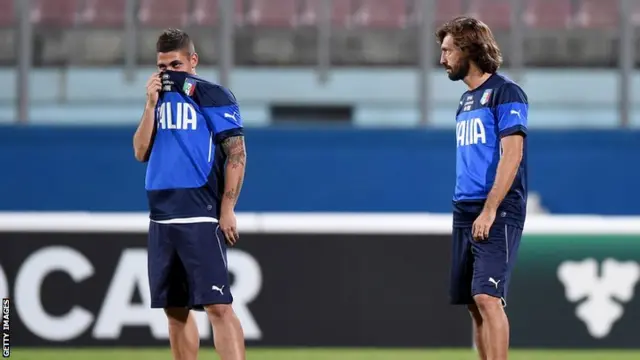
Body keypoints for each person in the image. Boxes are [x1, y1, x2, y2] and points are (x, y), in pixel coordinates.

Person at [133, 28, 246, 360]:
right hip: (161, 215)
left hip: (199, 211)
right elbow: (140, 152)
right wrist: (150, 105)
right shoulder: (157, 100)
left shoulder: (213, 96)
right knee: (175, 310)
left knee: (218, 306)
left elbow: (237, 154)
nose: (168, 73)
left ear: (193, 61)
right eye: (162, 66)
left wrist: (227, 209)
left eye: (176, 65)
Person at [436, 16, 528, 360]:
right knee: (474, 304)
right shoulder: (465, 101)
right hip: (464, 208)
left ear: (468, 49)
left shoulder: (507, 93)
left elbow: (513, 154)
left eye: (448, 50)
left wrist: (490, 209)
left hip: (498, 208)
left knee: (488, 298)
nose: (442, 58)